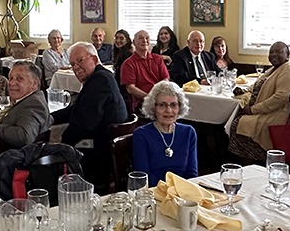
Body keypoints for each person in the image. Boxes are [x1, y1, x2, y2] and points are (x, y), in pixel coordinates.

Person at [53, 42, 127, 191]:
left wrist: (60, 144)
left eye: (80, 61)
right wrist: (51, 118)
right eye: (72, 64)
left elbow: (84, 124)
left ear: (93, 59)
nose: (76, 68)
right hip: (106, 143)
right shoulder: (100, 77)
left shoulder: (100, 80)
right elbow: (77, 110)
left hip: (100, 152)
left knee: (51, 155)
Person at [227, 42, 290, 161]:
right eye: (271, 52)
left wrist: (252, 110)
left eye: (278, 52)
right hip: (271, 112)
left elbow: (279, 99)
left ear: (287, 54)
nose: (274, 55)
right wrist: (244, 91)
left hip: (281, 117)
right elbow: (259, 84)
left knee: (238, 123)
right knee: (237, 118)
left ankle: (257, 160)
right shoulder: (277, 68)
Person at [0, 61, 52, 181]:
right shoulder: (27, 100)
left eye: (19, 79)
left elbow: (24, 136)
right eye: (10, 78)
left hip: (5, 172)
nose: (11, 83)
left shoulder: (33, 105)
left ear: (34, 84)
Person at [133, 81, 197, 186]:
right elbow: (144, 177)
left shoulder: (188, 133)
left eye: (173, 105)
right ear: (153, 108)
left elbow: (192, 174)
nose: (168, 110)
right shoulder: (141, 135)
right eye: (162, 105)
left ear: (180, 107)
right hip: (154, 193)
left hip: (183, 193)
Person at [121, 30, 170, 111]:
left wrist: (159, 96)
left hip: (160, 99)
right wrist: (150, 98)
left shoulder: (158, 59)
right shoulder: (128, 64)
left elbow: (165, 79)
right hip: (142, 102)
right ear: (133, 42)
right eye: (141, 38)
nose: (144, 40)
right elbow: (131, 88)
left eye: (147, 38)